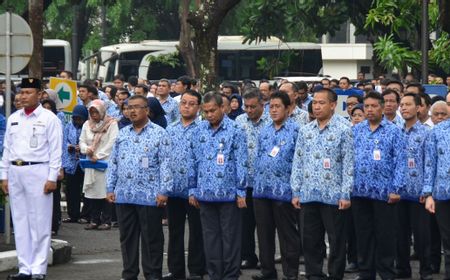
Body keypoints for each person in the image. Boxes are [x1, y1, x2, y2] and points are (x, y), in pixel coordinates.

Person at [1, 78, 62, 280]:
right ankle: (24, 268)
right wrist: (4, 176)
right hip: (16, 171)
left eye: (28, 92)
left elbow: (55, 151)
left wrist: (52, 177)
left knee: (40, 222)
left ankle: (38, 269)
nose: (23, 96)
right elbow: (7, 149)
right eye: (22, 92)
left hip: (39, 171)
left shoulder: (49, 118)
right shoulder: (14, 118)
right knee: (20, 221)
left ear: (39, 94)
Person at [107, 94, 172, 280]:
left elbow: (166, 164)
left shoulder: (159, 133)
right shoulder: (122, 134)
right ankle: (129, 274)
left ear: (147, 110)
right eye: (129, 107)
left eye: (137, 107)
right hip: (124, 194)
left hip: (150, 196)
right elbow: (114, 162)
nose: (132, 111)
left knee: (151, 239)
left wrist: (164, 191)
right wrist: (110, 188)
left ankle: (153, 275)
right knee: (127, 238)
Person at [291, 88, 354, 280]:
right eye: (315, 103)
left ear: (333, 105)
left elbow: (348, 164)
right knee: (310, 240)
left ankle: (335, 275)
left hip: (334, 196)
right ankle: (314, 274)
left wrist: (346, 194)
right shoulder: (305, 130)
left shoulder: (344, 128)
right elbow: (298, 161)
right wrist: (296, 190)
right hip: (308, 194)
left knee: (336, 241)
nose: (316, 106)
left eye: (322, 103)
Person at [188, 92, 248, 280]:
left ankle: (230, 275)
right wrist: (192, 189)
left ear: (223, 108)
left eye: (212, 110)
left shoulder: (236, 130)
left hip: (229, 194)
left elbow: (242, 162)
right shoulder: (198, 131)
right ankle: (214, 274)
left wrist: (241, 191)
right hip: (205, 194)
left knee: (230, 238)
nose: (209, 115)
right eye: (205, 111)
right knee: (210, 238)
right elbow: (193, 162)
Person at [352, 91, 406, 280]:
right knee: (363, 235)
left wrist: (396, 189)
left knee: (385, 237)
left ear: (382, 107)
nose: (369, 110)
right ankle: (366, 273)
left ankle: (386, 273)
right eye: (366, 106)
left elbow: (401, 161)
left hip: (385, 193)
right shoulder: (357, 130)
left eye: (374, 106)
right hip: (359, 192)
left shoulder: (394, 131)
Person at [252, 91, 300, 280]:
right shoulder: (264, 130)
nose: (273, 110)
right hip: (262, 190)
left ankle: (290, 274)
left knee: (287, 235)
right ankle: (268, 272)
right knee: (264, 235)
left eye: (277, 106)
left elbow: (299, 161)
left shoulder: (297, 131)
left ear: (288, 108)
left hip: (284, 191)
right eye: (270, 107)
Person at [164, 90, 206, 280]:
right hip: (174, 190)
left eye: (191, 103)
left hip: (195, 190)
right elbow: (164, 159)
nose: (186, 107)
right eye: (184, 103)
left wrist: (197, 188)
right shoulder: (170, 128)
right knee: (175, 231)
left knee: (197, 231)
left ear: (199, 107)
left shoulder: (204, 128)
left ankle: (196, 270)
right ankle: (176, 270)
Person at [395, 93, 433, 280]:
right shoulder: (395, 131)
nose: (403, 108)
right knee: (400, 235)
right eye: (401, 105)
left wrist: (427, 191)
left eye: (408, 104)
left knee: (422, 236)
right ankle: (402, 270)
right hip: (399, 193)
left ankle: (426, 271)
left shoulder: (427, 133)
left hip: (419, 193)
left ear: (418, 108)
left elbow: (429, 163)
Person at [235, 88, 271, 270]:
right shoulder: (239, 122)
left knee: (265, 226)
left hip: (266, 182)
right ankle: (248, 256)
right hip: (245, 182)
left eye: (252, 107)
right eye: (246, 107)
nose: (249, 110)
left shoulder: (272, 122)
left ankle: (268, 262)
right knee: (245, 224)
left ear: (262, 105)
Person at [79, 99, 119, 230]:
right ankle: (94, 220)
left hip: (105, 161)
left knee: (105, 191)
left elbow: (112, 142)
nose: (94, 115)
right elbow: (82, 140)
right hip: (90, 161)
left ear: (102, 111)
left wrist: (99, 155)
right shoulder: (87, 124)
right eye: (91, 112)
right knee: (93, 192)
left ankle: (106, 221)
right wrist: (87, 149)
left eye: (96, 112)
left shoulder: (111, 124)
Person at [424, 116, 450, 280]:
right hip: (442, 193)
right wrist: (428, 194)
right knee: (448, 242)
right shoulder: (438, 131)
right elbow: (430, 164)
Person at [40, 99, 65, 236]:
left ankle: (53, 225)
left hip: (54, 164)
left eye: (50, 107)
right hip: (40, 166)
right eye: (44, 107)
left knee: (54, 199)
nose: (47, 110)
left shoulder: (56, 122)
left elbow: (59, 147)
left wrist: (60, 166)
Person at [62, 105, 89, 224]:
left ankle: (86, 215)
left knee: (86, 190)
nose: (78, 121)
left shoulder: (88, 127)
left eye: (80, 119)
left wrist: (83, 147)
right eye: (75, 118)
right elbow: (64, 141)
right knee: (71, 190)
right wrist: (70, 146)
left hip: (84, 162)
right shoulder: (68, 126)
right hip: (71, 162)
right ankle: (73, 214)